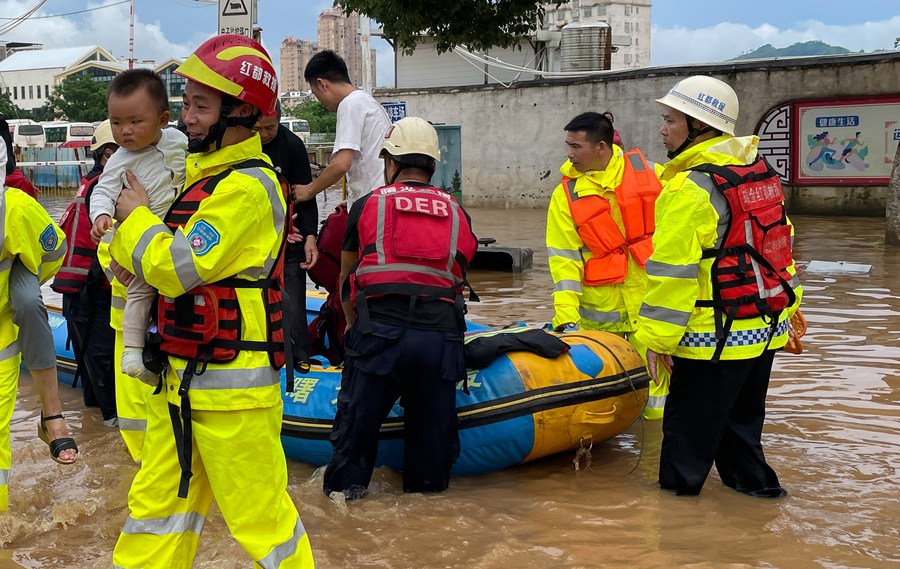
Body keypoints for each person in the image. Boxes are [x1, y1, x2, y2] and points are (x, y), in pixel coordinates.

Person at [107, 34, 314, 568]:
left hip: (233, 394)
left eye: (201, 106)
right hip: (177, 379)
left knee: (260, 520)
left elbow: (175, 269)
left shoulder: (248, 188)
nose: (187, 118)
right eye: (186, 104)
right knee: (156, 507)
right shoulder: (199, 177)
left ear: (242, 111)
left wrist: (135, 221)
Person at [634, 75, 802, 497]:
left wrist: (656, 340)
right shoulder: (758, 170)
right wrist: (790, 305)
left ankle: (673, 530)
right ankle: (760, 504)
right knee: (739, 433)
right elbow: (780, 244)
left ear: (698, 127)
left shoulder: (690, 189)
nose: (661, 128)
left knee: (685, 444)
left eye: (669, 120)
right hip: (763, 329)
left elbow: (672, 274)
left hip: (714, 336)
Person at [323, 117, 478, 500]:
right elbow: (458, 273)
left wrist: (351, 328)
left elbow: (346, 279)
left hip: (379, 334)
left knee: (354, 438)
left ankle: (346, 513)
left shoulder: (366, 205)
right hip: (440, 338)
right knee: (432, 446)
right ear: (433, 165)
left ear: (391, 163)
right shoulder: (457, 211)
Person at [544, 112, 668, 419]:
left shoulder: (654, 175)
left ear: (601, 147)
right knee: (598, 398)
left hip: (651, 307)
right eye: (567, 146)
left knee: (657, 396)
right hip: (598, 313)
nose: (569, 154)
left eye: (575, 147)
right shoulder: (566, 195)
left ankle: (651, 455)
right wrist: (566, 318)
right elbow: (564, 261)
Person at [89, 68, 188, 384]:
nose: (125, 132)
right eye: (116, 123)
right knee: (141, 289)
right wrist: (101, 216)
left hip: (171, 236)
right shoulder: (120, 159)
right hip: (139, 237)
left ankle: (155, 348)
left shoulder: (180, 142)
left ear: (162, 120)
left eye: (135, 122)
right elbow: (103, 190)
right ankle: (133, 350)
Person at [1, 183, 76, 510]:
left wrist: (20, 281)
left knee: (30, 303)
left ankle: (53, 415)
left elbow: (54, 251)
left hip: (4, 332)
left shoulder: (16, 207)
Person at [51, 120, 119, 425]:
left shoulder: (90, 184)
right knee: (104, 367)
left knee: (92, 368)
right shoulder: (106, 189)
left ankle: (97, 431)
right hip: (94, 294)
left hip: (77, 293)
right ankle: (111, 429)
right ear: (107, 154)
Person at [258, 102, 319, 366]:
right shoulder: (241, 144)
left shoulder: (291, 145)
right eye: (257, 128)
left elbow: (307, 194)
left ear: (279, 121)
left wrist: (310, 236)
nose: (263, 134)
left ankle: (299, 355)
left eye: (270, 128)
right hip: (257, 237)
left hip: (291, 236)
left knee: (293, 300)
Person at [292, 49, 390, 209]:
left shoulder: (349, 104)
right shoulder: (367, 102)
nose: (320, 102)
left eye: (316, 94)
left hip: (371, 206)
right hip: (379, 199)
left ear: (322, 84)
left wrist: (309, 190)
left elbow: (341, 164)